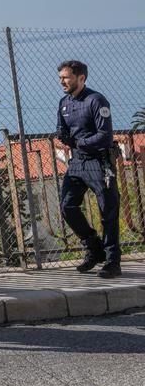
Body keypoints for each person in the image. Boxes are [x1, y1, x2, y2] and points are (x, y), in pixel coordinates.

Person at [56, 60, 121, 278]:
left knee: (107, 210)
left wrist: (79, 143)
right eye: (60, 78)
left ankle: (112, 262)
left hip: (98, 162)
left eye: (66, 77)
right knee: (67, 206)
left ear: (81, 78)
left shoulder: (96, 100)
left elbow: (105, 136)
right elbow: (62, 130)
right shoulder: (64, 102)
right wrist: (65, 138)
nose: (62, 82)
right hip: (77, 163)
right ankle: (94, 248)